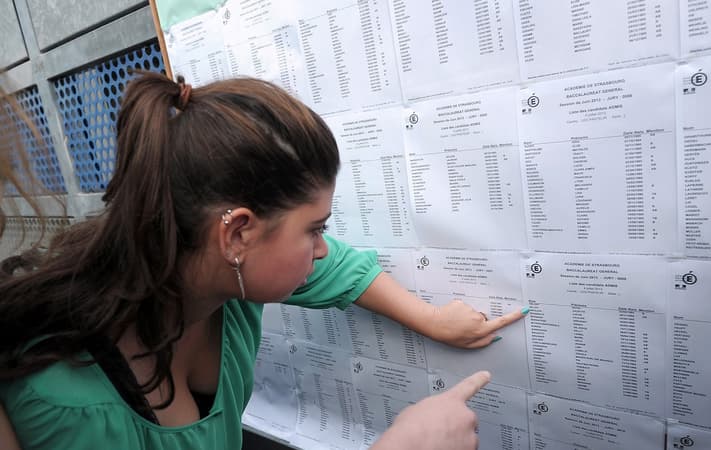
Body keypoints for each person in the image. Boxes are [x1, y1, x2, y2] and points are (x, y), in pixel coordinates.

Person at [0, 72, 526, 449]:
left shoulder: (221, 281)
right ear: (237, 234)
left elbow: (332, 266)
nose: (322, 247)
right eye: (314, 229)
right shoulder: (68, 404)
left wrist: (433, 320)